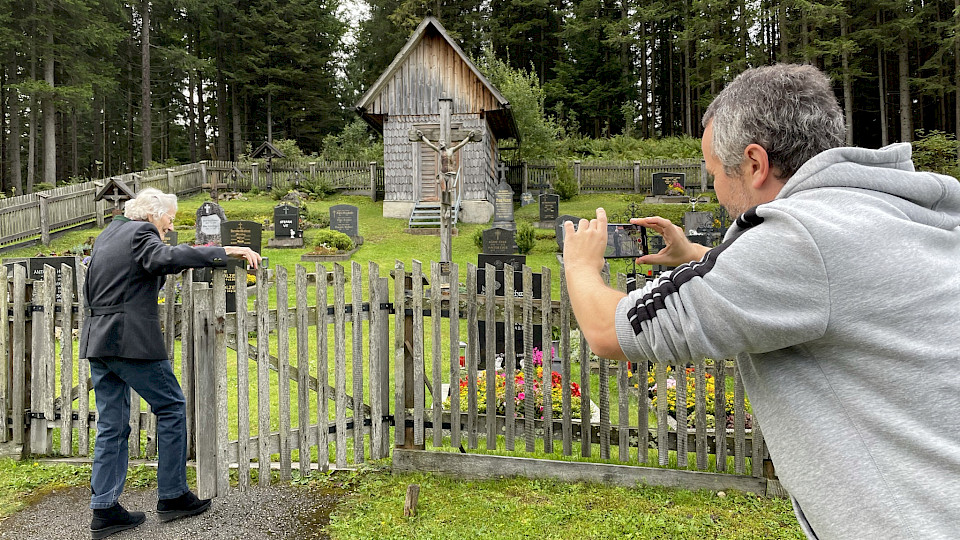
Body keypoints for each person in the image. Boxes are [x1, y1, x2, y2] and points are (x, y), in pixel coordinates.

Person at [562, 64, 960, 539]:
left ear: (754, 163)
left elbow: (609, 332)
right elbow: (824, 282)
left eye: (713, 171)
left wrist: (581, 267)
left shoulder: (799, 240)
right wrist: (699, 256)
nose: (712, 186)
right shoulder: (891, 208)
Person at [79, 188, 261, 539]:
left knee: (112, 424)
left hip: (97, 339)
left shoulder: (108, 234)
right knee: (172, 407)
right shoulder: (141, 232)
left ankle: (104, 509)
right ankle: (173, 495)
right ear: (152, 214)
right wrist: (224, 250)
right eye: (170, 219)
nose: (169, 226)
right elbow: (164, 258)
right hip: (130, 339)